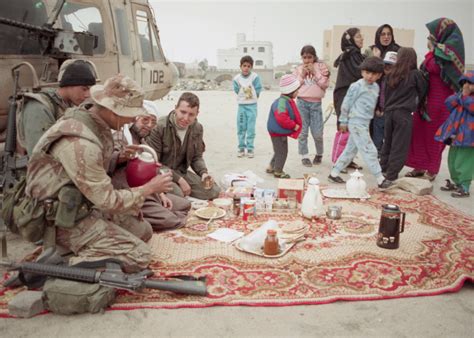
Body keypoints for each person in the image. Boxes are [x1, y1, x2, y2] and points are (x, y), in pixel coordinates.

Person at [23, 75, 174, 272]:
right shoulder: (81, 143)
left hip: (79, 203)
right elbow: (107, 200)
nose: (132, 119)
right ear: (112, 111)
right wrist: (148, 189)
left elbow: (91, 174)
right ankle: (57, 266)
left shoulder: (93, 121)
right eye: (129, 113)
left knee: (142, 230)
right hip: (58, 218)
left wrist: (118, 158)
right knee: (139, 256)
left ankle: (85, 249)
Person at [110, 109, 191, 230]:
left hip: (149, 192)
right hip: (129, 194)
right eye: (145, 120)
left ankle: (159, 214)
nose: (149, 125)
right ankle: (139, 217)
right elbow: (106, 163)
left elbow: (154, 169)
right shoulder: (120, 138)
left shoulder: (144, 143)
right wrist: (122, 156)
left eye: (153, 122)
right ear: (135, 119)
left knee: (185, 205)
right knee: (169, 220)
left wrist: (161, 194)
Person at [405, 18, 465, 181]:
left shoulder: (449, 52)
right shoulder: (438, 51)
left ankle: (431, 170)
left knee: (435, 137)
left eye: (432, 33)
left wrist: (432, 50)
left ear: (442, 33)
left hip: (440, 102)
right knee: (418, 132)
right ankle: (418, 166)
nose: (430, 37)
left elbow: (434, 66)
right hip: (426, 101)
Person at [328, 57, 390, 188]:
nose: (370, 76)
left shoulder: (376, 88)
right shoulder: (356, 86)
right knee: (369, 149)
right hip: (355, 122)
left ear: (379, 75)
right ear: (362, 72)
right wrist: (343, 121)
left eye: (374, 74)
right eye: (367, 72)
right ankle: (380, 179)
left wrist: (378, 111)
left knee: (350, 150)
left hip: (366, 122)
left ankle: (334, 173)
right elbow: (346, 103)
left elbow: (373, 103)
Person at [147, 92, 221, 200]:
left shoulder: (197, 128)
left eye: (191, 114)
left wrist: (203, 173)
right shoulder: (160, 127)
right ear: (176, 108)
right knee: (179, 194)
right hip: (162, 173)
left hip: (182, 172)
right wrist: (179, 180)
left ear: (197, 114)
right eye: (183, 112)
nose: (186, 118)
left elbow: (197, 157)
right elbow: (155, 163)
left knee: (213, 191)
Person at [17, 59, 97, 155]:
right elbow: (38, 154)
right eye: (84, 89)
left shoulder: (69, 104)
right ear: (69, 84)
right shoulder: (38, 108)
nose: (88, 95)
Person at [380, 47, 428, 187]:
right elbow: (423, 90)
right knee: (399, 146)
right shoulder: (415, 75)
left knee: (387, 142)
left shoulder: (390, 74)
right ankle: (391, 175)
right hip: (404, 114)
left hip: (389, 113)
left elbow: (386, 95)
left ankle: (383, 169)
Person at [434, 71, 474, 198]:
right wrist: (462, 95)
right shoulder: (459, 96)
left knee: (464, 162)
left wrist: (465, 97)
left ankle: (465, 186)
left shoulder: (467, 99)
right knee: (452, 160)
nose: (467, 86)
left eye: (471, 83)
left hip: (469, 138)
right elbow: (448, 103)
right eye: (465, 83)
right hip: (455, 136)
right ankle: (457, 182)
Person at [333, 27, 365, 170]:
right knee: (344, 128)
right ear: (350, 39)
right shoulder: (351, 55)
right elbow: (359, 73)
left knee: (353, 130)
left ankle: (347, 159)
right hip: (345, 97)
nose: (362, 39)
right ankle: (338, 160)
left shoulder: (355, 54)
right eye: (358, 36)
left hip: (352, 97)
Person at [293, 45, 330, 167]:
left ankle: (319, 154)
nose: (307, 60)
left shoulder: (321, 67)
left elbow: (325, 84)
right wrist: (302, 75)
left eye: (310, 57)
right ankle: (304, 155)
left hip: (316, 104)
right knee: (303, 132)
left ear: (314, 57)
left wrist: (315, 73)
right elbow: (294, 85)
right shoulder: (298, 69)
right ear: (301, 58)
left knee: (317, 133)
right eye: (304, 57)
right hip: (302, 103)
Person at [266, 74, 302, 178]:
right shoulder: (282, 102)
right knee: (282, 151)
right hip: (278, 132)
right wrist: (293, 126)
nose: (298, 92)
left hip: (276, 131)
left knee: (278, 150)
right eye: (297, 90)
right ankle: (278, 171)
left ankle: (272, 166)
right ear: (291, 91)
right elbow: (281, 117)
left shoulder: (283, 100)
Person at [232, 55, 263, 158]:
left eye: (249, 66)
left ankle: (250, 148)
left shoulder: (254, 77)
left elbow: (258, 88)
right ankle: (241, 148)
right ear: (240, 66)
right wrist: (243, 98)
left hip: (252, 106)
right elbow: (236, 90)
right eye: (244, 65)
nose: (246, 68)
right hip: (241, 106)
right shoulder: (237, 79)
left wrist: (254, 97)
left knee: (250, 128)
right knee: (241, 127)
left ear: (251, 67)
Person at [372, 51, 398, 156]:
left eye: (391, 66)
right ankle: (376, 154)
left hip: (390, 113)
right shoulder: (380, 79)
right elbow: (376, 95)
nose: (388, 67)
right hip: (380, 112)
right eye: (386, 65)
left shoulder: (398, 81)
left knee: (389, 137)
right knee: (377, 136)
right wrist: (377, 108)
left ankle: (385, 155)